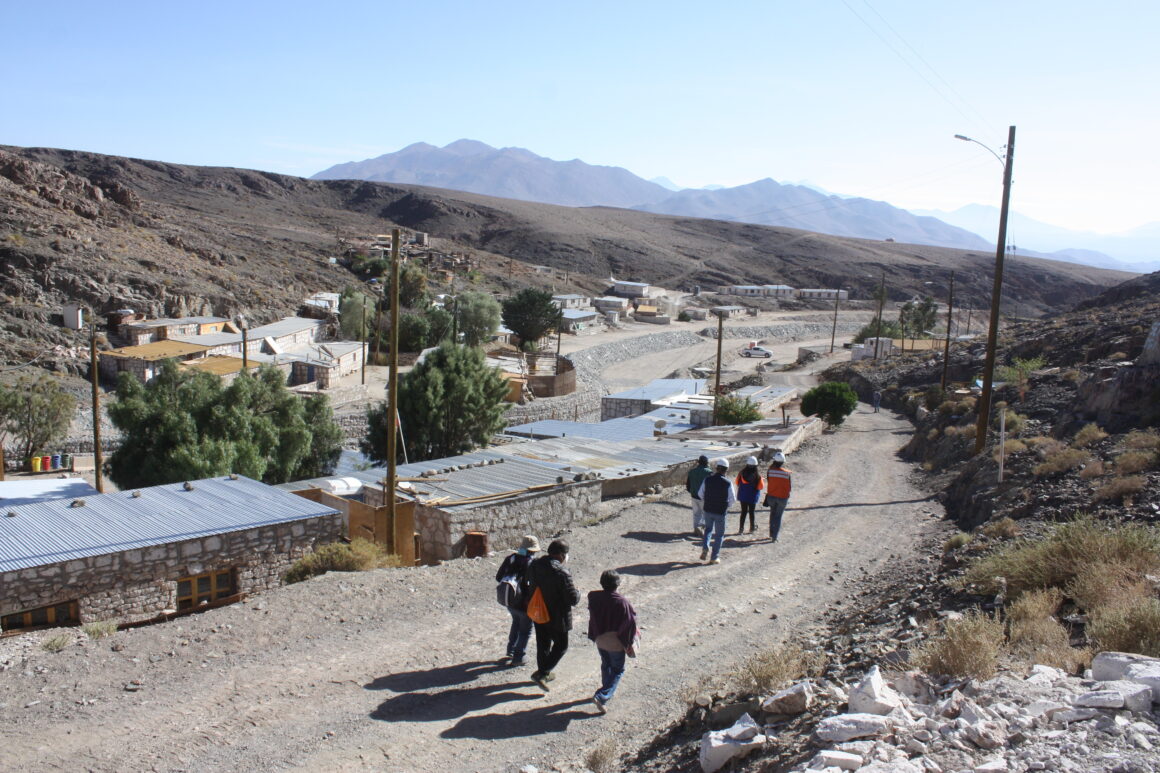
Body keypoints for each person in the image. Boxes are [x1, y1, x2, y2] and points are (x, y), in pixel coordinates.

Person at [527, 539, 580, 690]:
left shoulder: (535, 565)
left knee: (543, 643)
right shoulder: (562, 572)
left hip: (539, 611)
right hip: (558, 616)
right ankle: (542, 672)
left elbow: (527, 582)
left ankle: (545, 673)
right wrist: (579, 594)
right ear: (562, 555)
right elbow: (572, 599)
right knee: (561, 646)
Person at [586, 569, 639, 713]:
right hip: (615, 641)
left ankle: (606, 687)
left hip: (599, 638)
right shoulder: (622, 602)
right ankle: (602, 695)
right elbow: (629, 622)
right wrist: (628, 643)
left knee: (606, 664)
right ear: (618, 584)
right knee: (618, 669)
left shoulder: (593, 597)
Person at [495, 535, 539, 667]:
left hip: (510, 601)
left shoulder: (511, 558)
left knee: (516, 622)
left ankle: (511, 650)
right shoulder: (532, 563)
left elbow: (499, 577)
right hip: (524, 603)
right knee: (525, 630)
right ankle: (519, 656)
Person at [697, 458, 736, 564]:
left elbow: (700, 494)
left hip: (708, 510)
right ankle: (714, 557)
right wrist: (726, 506)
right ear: (726, 470)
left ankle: (705, 547)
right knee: (719, 535)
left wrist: (708, 500)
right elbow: (732, 499)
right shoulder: (728, 483)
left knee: (708, 530)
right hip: (720, 512)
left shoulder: (707, 480)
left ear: (716, 468)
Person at [763, 451, 792, 542]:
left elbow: (769, 480)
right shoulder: (787, 473)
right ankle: (775, 537)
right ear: (783, 462)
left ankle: (771, 534)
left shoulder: (770, 471)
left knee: (772, 514)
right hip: (783, 498)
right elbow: (789, 487)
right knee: (778, 516)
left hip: (771, 496)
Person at [735, 456, 764, 534]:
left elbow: (737, 482)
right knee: (752, 512)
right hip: (752, 497)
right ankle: (752, 528)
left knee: (743, 512)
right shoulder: (758, 476)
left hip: (743, 496)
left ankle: (741, 529)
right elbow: (761, 487)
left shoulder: (741, 473)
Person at [685, 455, 712, 537]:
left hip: (694, 496)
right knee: (706, 514)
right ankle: (703, 529)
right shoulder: (709, 472)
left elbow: (688, 485)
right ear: (706, 463)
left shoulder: (692, 472)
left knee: (696, 514)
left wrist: (692, 491)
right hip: (704, 497)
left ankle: (696, 529)